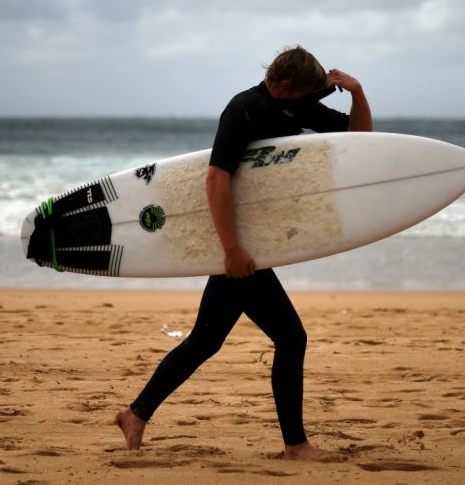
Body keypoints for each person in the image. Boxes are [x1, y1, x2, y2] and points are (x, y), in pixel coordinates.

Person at [115, 46, 373, 462]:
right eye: (306, 93)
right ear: (285, 84)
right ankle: (296, 446)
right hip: (240, 244)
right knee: (290, 337)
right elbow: (216, 179)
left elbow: (360, 141)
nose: (313, 101)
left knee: (206, 340)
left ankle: (136, 413)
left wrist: (358, 92)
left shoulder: (295, 107)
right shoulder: (244, 109)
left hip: (254, 240)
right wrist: (231, 249)